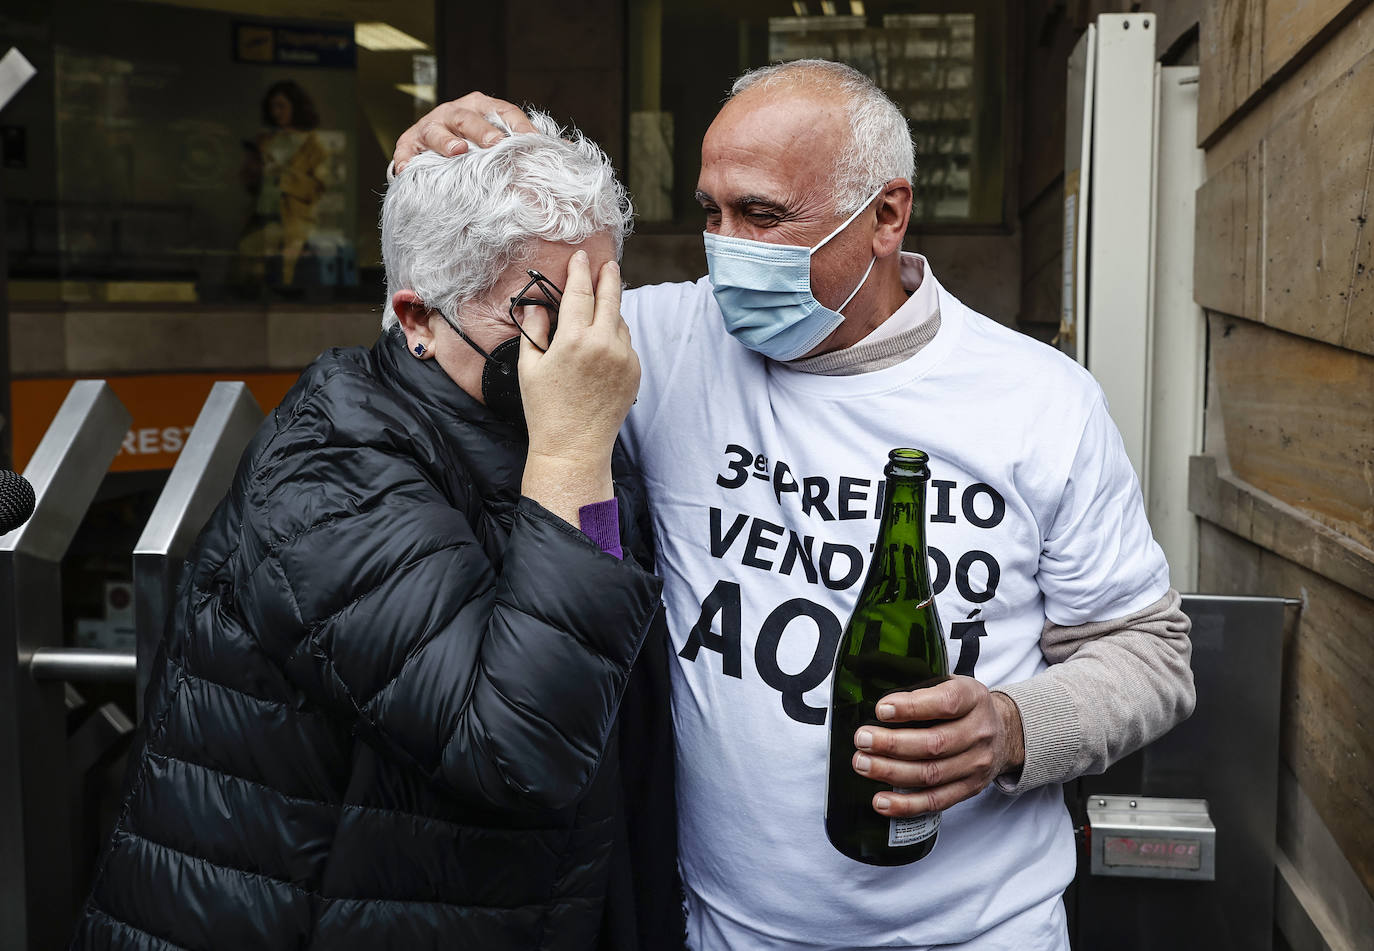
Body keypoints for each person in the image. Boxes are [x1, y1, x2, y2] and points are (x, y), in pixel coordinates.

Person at [396, 60, 1195, 951]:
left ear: (886, 216)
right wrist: (443, 177)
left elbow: (1149, 653)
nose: (726, 246)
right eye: (712, 212)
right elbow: (443, 340)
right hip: (724, 929)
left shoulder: (1039, 399)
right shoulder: (646, 346)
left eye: (763, 215)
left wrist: (1012, 727)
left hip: (981, 931)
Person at [73, 112, 683, 950]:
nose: (587, 341)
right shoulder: (330, 465)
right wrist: (575, 454)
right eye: (545, 306)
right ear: (418, 318)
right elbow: (517, 747)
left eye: (600, 299)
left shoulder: (532, 415)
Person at [238, 80, 328, 286]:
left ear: (295, 107)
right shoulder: (264, 140)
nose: (276, 112)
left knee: (286, 274)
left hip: (293, 221)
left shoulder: (312, 145)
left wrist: (285, 177)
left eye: (281, 106)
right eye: (272, 106)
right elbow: (247, 179)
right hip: (261, 215)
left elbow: (317, 189)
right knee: (248, 262)